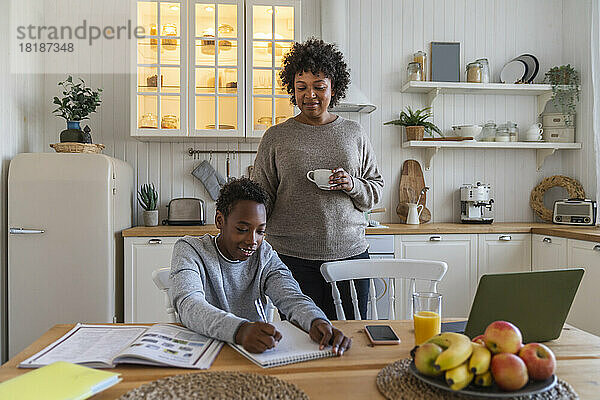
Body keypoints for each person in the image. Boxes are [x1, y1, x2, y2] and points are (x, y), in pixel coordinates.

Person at [251, 38, 384, 320]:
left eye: (319, 87)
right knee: (299, 338)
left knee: (350, 336)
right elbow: (260, 198)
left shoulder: (353, 133)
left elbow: (375, 188)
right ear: (292, 89)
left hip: (349, 254)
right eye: (301, 88)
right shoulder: (276, 137)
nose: (310, 95)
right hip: (291, 258)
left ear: (333, 88)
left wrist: (353, 185)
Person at [170, 177, 351, 355]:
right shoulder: (190, 249)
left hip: (256, 353)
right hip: (202, 351)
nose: (252, 241)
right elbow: (189, 305)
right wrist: (240, 330)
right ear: (219, 220)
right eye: (242, 229)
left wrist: (316, 320)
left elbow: (291, 296)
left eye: (260, 231)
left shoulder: (264, 255)